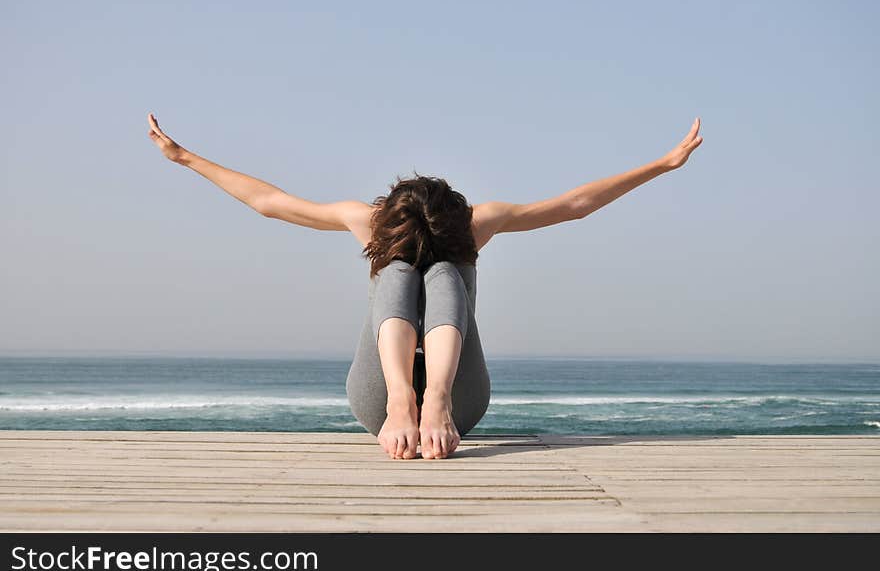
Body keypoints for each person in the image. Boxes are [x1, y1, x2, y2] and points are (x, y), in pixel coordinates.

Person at [147, 112, 703, 459]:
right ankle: (404, 399)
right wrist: (186, 158)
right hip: (380, 402)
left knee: (441, 272)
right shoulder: (370, 222)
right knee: (399, 272)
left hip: (458, 400)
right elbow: (269, 203)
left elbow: (575, 206)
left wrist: (661, 164)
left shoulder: (474, 225)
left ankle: (431, 399)